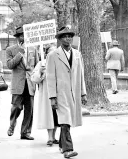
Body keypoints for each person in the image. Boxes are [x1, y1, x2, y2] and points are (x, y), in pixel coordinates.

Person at [45, 26, 87, 158]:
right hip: (60, 92)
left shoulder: (77, 54)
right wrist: (52, 96)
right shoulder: (53, 55)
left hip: (73, 92)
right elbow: (50, 77)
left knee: (68, 118)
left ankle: (62, 145)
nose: (68, 38)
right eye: (64, 36)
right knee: (65, 119)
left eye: (70, 36)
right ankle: (68, 149)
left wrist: (83, 92)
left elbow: (81, 74)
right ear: (60, 39)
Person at [6, 26, 39, 140]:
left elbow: (37, 66)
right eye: (21, 36)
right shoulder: (10, 50)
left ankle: (25, 132)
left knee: (29, 110)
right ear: (17, 37)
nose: (23, 38)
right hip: (18, 84)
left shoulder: (33, 49)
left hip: (30, 83)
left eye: (25, 35)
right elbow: (10, 65)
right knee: (16, 107)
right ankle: (12, 124)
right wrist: (20, 53)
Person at [31, 44, 59, 146]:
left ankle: (54, 136)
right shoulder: (41, 64)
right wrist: (41, 72)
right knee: (49, 115)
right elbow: (34, 79)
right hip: (47, 93)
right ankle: (50, 137)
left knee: (57, 116)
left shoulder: (60, 62)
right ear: (46, 54)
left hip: (59, 92)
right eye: (51, 52)